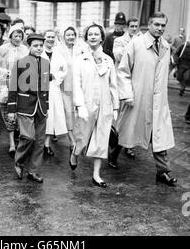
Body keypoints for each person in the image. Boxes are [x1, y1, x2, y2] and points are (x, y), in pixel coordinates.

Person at [111, 12, 177, 187]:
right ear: (149, 25)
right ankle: (113, 153)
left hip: (157, 101)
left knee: (159, 135)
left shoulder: (165, 46)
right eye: (157, 24)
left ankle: (163, 171)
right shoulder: (136, 44)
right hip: (137, 97)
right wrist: (127, 94)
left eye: (163, 25)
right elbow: (123, 71)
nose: (160, 28)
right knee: (126, 130)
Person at [70, 24, 119, 188]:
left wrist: (116, 107)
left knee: (101, 138)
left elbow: (113, 85)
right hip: (86, 103)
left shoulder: (108, 60)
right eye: (90, 34)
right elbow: (76, 84)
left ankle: (96, 175)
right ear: (86, 38)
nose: (92, 37)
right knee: (82, 138)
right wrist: (80, 105)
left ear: (101, 37)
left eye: (96, 34)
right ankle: (76, 152)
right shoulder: (80, 59)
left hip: (105, 104)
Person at [8, 33, 50, 183]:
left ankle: (33, 171)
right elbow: (12, 87)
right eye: (35, 46)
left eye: (41, 46)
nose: (39, 49)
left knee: (39, 141)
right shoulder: (20, 63)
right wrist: (11, 110)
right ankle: (19, 161)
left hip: (41, 107)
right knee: (28, 137)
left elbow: (46, 86)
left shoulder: (46, 62)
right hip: (25, 106)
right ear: (29, 47)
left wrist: (47, 105)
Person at [0, 24, 29, 154]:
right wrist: (5, 72)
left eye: (20, 36)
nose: (18, 38)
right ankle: (12, 142)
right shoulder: (3, 49)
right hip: (5, 84)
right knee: (8, 111)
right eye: (15, 36)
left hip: (21, 85)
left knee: (20, 111)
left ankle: (21, 138)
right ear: (10, 36)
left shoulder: (25, 49)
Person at [54, 26, 87, 151]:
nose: (71, 37)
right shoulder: (58, 50)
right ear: (63, 36)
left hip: (79, 85)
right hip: (65, 86)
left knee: (79, 113)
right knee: (68, 113)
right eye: (68, 35)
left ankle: (81, 139)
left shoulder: (81, 49)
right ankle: (72, 140)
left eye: (72, 34)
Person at [113, 17, 139, 159]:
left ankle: (129, 145)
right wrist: (133, 46)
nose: (134, 29)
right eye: (132, 26)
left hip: (136, 82)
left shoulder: (140, 40)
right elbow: (118, 56)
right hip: (123, 82)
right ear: (128, 27)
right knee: (122, 115)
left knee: (133, 116)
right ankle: (116, 143)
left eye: (136, 26)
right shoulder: (119, 40)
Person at [42, 30, 68, 156]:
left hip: (53, 88)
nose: (50, 39)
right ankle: (38, 143)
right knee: (41, 116)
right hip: (39, 88)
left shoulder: (58, 54)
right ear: (44, 38)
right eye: (48, 37)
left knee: (51, 116)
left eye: (52, 37)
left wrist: (56, 77)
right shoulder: (39, 51)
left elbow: (64, 70)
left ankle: (46, 144)